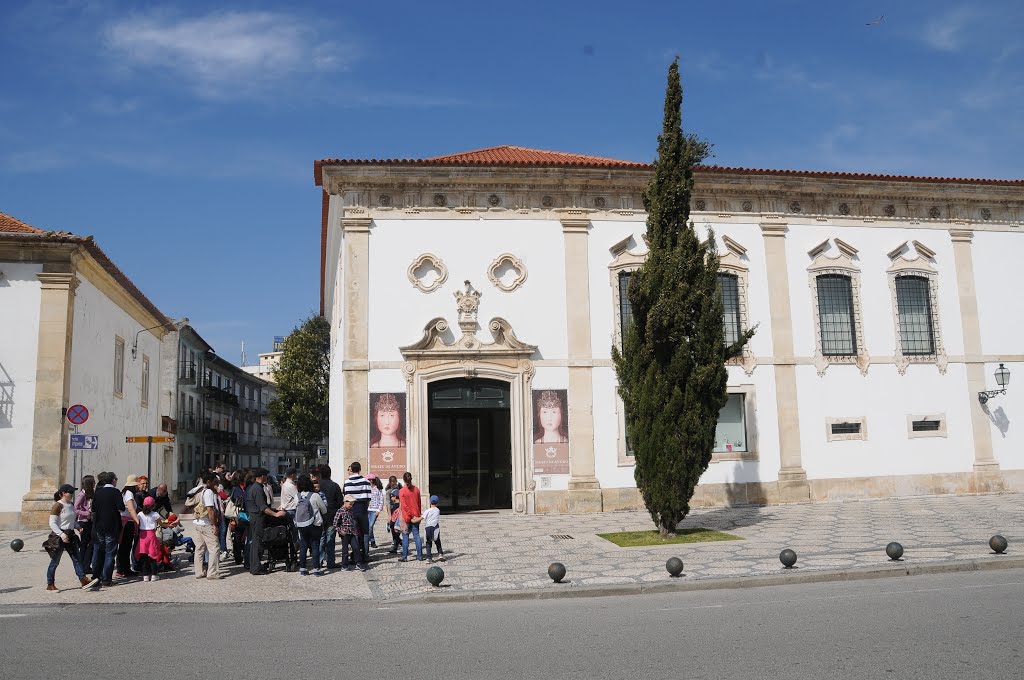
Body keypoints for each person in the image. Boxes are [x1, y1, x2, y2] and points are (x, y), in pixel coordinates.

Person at [84, 471, 124, 589]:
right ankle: (107, 579)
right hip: (112, 526)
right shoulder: (116, 492)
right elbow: (121, 507)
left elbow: (94, 509)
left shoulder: (98, 492)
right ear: (113, 480)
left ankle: (96, 576)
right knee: (110, 553)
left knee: (98, 551)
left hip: (99, 526)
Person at [46, 484, 89, 591]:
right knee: (55, 561)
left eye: (72, 492)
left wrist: (77, 526)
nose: (72, 494)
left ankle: (83, 580)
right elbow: (52, 523)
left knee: (76, 559)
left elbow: (71, 521)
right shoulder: (58, 505)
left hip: (70, 535)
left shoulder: (71, 504)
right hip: (59, 536)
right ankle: (50, 584)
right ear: (63, 493)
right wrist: (61, 534)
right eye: (70, 492)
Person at [244, 468, 285, 575]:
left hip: (255, 518)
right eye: (266, 475)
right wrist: (276, 514)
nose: (267, 477)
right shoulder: (257, 489)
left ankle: (255, 566)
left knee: (255, 543)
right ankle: (256, 568)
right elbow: (263, 507)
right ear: (262, 476)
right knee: (258, 543)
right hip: (258, 518)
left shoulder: (255, 487)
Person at [294, 474, 327, 576]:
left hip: (301, 524)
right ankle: (317, 569)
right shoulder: (315, 495)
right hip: (315, 524)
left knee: (303, 545)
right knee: (315, 545)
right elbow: (324, 510)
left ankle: (303, 568)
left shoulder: (297, 496)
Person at [192, 471, 222, 580]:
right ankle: (212, 572)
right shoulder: (208, 492)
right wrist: (214, 525)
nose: (216, 483)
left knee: (199, 548)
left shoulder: (198, 490)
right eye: (215, 481)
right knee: (214, 548)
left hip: (196, 523)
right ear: (209, 482)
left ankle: (199, 572)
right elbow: (210, 509)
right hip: (206, 524)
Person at [344, 461, 372, 567]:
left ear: (352, 469)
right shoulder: (365, 481)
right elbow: (368, 497)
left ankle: (356, 555)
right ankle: (365, 554)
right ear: (360, 469)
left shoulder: (347, 482)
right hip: (363, 508)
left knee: (354, 534)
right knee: (365, 532)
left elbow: (346, 497)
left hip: (352, 509)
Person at [317, 464, 344, 570]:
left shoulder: (317, 485)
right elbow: (340, 502)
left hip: (319, 516)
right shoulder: (335, 486)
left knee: (320, 539)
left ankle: (319, 561)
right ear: (330, 474)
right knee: (330, 540)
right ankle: (330, 562)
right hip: (332, 516)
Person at [116, 475, 141, 578]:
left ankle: (124, 568)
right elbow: (131, 509)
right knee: (125, 546)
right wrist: (137, 520)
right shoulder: (129, 494)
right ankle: (122, 569)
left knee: (125, 546)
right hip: (127, 523)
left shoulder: (126, 493)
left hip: (128, 521)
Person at [135, 496, 163, 582]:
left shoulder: (139, 514)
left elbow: (136, 523)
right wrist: (169, 524)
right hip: (151, 536)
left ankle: (145, 575)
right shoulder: (155, 514)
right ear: (153, 506)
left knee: (143, 556)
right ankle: (154, 574)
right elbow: (162, 524)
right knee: (153, 556)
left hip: (142, 537)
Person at [333, 495, 364, 571]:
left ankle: (358, 563)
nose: (351, 506)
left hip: (352, 532)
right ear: (345, 502)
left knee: (356, 548)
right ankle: (344, 565)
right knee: (345, 550)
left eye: (352, 504)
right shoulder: (340, 511)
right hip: (345, 533)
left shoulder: (351, 511)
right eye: (350, 504)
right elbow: (335, 523)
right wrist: (340, 531)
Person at [398, 472, 423, 562]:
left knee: (405, 536)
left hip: (407, 517)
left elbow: (404, 506)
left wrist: (410, 515)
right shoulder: (416, 489)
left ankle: (404, 557)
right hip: (416, 516)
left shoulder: (402, 491)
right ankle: (420, 556)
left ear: (404, 480)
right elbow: (419, 503)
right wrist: (418, 515)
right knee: (416, 536)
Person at [74, 475, 95, 572]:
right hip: (84, 521)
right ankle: (83, 565)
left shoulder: (91, 494)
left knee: (89, 544)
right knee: (84, 544)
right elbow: (76, 508)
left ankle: (86, 564)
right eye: (93, 482)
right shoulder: (81, 495)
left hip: (89, 521)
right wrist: (86, 513)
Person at [423, 495, 446, 563]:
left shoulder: (427, 511)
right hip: (435, 528)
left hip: (428, 528)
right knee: (437, 541)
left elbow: (422, 518)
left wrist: (414, 520)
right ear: (437, 503)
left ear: (430, 502)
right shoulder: (437, 510)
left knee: (428, 543)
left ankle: (429, 558)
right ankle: (440, 554)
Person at [367, 475, 384, 550]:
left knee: (370, 526)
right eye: (369, 479)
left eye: (371, 479)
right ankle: (372, 541)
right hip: (367, 509)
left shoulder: (378, 489)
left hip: (374, 510)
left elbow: (381, 500)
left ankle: (370, 540)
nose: (370, 481)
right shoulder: (367, 488)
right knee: (368, 527)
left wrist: (378, 510)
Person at [386, 488, 402, 554]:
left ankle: (403, 544)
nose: (391, 498)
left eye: (391, 496)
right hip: (395, 523)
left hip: (395, 523)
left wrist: (390, 523)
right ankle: (394, 548)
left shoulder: (396, 505)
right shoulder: (398, 505)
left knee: (396, 536)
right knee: (395, 536)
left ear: (395, 496)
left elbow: (394, 516)